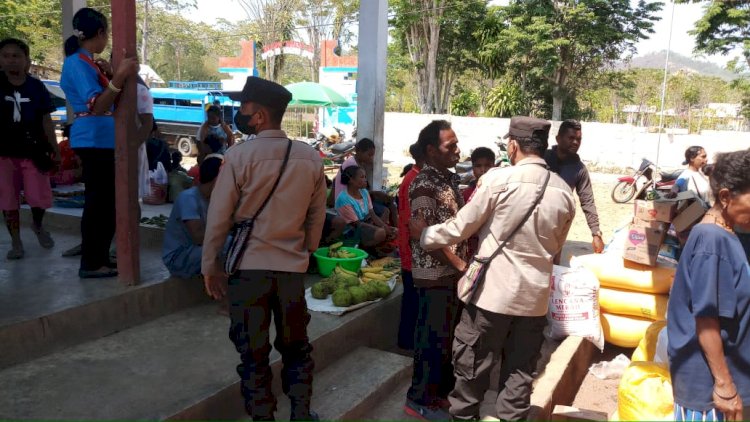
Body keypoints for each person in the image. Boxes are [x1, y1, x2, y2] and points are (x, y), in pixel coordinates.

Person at [413, 116, 576, 421]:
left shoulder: (498, 181)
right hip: (533, 303)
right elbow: (555, 249)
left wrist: (425, 234)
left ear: (513, 146)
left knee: (471, 378)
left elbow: (461, 227)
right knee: (518, 381)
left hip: (490, 300)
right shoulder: (565, 193)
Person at [201, 76, 326, 421]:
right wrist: (305, 252)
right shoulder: (310, 157)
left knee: (253, 355)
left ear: (259, 117)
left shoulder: (238, 157)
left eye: (244, 108)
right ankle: (300, 414)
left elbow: (219, 219)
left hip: (248, 272)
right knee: (297, 349)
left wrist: (210, 265)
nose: (240, 113)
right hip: (290, 273)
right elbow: (317, 218)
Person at [667, 149, 750, 422]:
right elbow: (706, 320)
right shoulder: (710, 241)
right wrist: (725, 387)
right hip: (710, 390)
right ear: (725, 197)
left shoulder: (728, 234)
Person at [60, 7, 139, 278]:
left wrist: (108, 73)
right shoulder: (77, 63)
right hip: (93, 138)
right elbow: (96, 105)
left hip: (102, 138)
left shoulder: (88, 62)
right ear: (102, 32)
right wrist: (117, 77)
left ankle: (100, 257)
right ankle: (92, 262)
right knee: (99, 204)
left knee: (106, 203)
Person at [404, 120, 468, 420]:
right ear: (431, 150)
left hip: (450, 276)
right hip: (435, 276)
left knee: (445, 342)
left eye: (457, 144)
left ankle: (439, 394)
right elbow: (425, 235)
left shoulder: (448, 180)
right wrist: (458, 265)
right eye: (450, 146)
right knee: (431, 341)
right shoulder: (424, 184)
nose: (457, 150)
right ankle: (419, 399)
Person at [0, 38, 59, 260]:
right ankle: (16, 242)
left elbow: (46, 119)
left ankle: (37, 224)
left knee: (39, 197)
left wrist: (55, 148)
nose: (11, 61)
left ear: (27, 60)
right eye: (5, 56)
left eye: (16, 56)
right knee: (8, 200)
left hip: (34, 151)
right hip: (4, 153)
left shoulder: (36, 86)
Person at [544, 119, 603, 255]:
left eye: (579, 139)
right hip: (533, 220)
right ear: (558, 138)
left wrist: (596, 233)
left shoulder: (579, 169)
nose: (576, 142)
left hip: (558, 224)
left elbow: (587, 201)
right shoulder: (542, 158)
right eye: (571, 138)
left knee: (554, 261)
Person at [162, 156, 221, 278]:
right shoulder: (189, 198)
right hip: (178, 258)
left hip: (194, 253)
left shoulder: (210, 199)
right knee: (229, 245)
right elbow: (198, 237)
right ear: (217, 180)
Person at [328, 138, 398, 226]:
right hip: (349, 201)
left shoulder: (358, 163)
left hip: (356, 198)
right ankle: (378, 232)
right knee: (385, 211)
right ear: (359, 152)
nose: (371, 158)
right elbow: (356, 190)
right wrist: (376, 194)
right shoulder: (352, 164)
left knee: (391, 204)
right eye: (369, 155)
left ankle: (394, 230)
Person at [397, 142, 425, 351]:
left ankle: (408, 340)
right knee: (411, 301)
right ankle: (406, 343)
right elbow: (410, 220)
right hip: (412, 251)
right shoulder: (413, 179)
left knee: (413, 301)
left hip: (412, 249)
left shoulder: (415, 177)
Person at [335, 165, 396, 248]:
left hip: (364, 224)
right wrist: (381, 229)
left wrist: (385, 227)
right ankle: (364, 248)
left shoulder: (364, 192)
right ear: (351, 180)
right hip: (352, 230)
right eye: (362, 177)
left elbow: (372, 214)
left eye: (365, 177)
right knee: (381, 233)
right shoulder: (343, 198)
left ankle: (377, 245)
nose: (365, 180)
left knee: (394, 231)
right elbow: (356, 224)